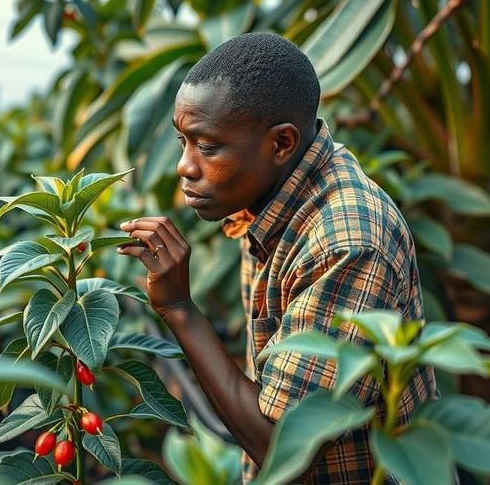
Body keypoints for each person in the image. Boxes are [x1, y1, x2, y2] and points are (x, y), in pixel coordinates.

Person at [115, 32, 436, 484]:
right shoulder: (276, 190)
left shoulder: (346, 244)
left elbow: (284, 447)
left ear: (282, 143)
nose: (184, 166)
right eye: (183, 141)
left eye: (206, 146)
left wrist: (179, 309)